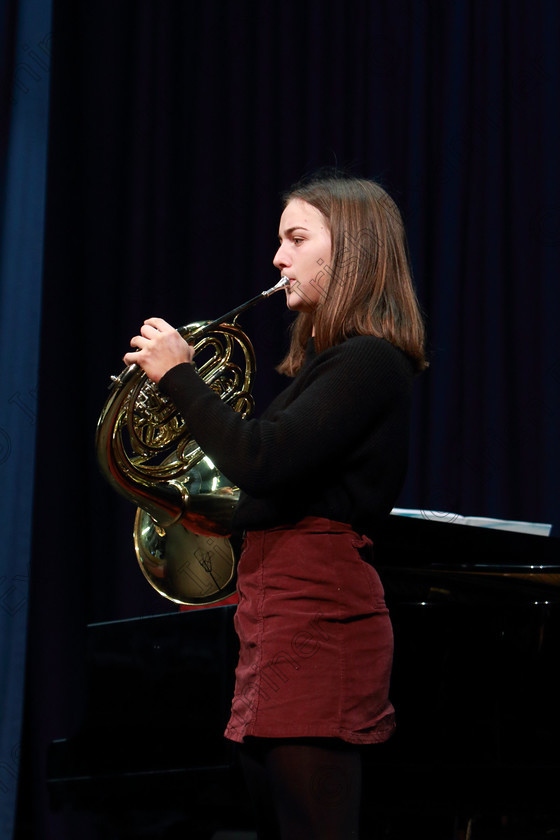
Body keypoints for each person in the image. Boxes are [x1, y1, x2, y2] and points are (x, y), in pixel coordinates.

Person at [124, 171, 427, 839]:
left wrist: (178, 375)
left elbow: (259, 459)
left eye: (296, 239)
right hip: (276, 611)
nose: (277, 259)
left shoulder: (371, 361)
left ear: (349, 251)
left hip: (319, 615)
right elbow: (263, 481)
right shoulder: (325, 368)